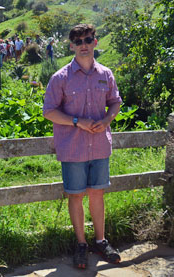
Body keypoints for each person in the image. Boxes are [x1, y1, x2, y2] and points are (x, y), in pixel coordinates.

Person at [43, 24, 122, 269]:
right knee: (76, 196)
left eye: (88, 39)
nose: (84, 45)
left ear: (95, 42)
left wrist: (107, 120)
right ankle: (81, 245)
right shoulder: (60, 78)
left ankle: (101, 241)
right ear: (71, 46)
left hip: (99, 146)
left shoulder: (106, 74)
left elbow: (115, 103)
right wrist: (77, 122)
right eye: (78, 41)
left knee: (97, 193)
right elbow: (49, 112)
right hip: (73, 147)